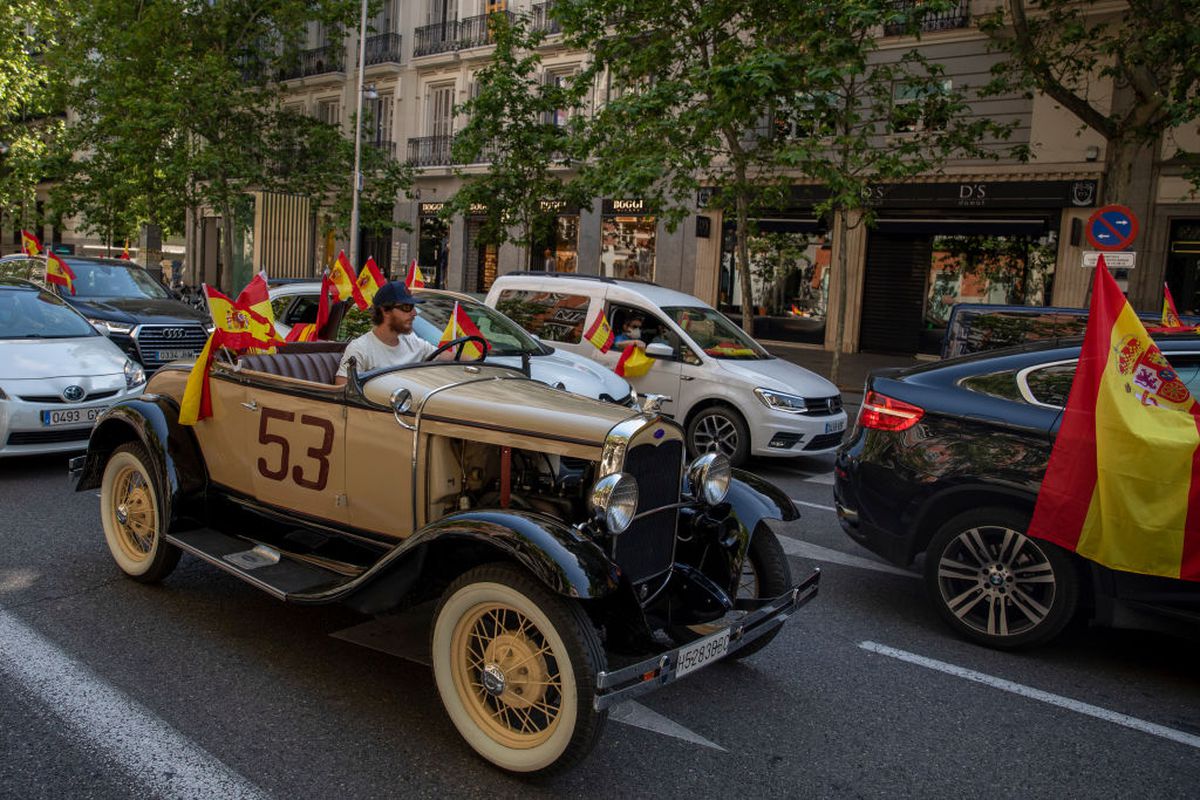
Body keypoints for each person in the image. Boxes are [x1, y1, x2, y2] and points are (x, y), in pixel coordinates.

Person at [334, 281, 451, 386]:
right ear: (385, 311)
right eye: (406, 307)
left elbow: (446, 356)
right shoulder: (360, 348)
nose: (414, 313)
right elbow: (343, 389)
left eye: (413, 307)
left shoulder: (413, 342)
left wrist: (468, 360)